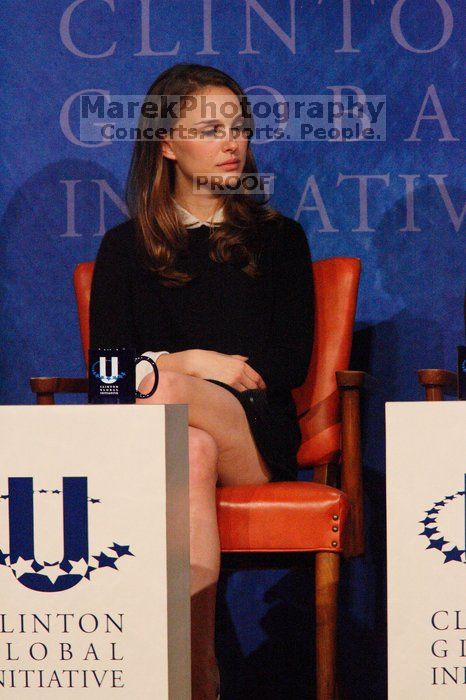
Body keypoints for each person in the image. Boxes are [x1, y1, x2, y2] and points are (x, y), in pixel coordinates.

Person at [89, 63, 314, 700]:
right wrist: (191, 360)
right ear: (166, 144)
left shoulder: (280, 241)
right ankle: (197, 677)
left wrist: (181, 376)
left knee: (165, 394)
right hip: (166, 443)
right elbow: (106, 380)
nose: (232, 140)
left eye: (238, 126)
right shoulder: (123, 248)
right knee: (187, 449)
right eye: (210, 128)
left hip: (257, 437)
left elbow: (288, 365)